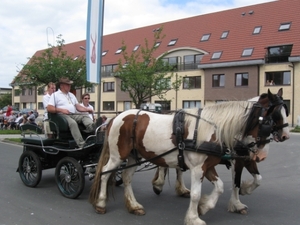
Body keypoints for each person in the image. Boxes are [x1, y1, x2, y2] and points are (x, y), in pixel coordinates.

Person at [47, 77, 102, 148]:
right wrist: (61, 110)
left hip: (72, 114)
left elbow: (78, 107)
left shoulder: (71, 95)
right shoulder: (55, 95)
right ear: (61, 86)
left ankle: (92, 127)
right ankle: (81, 144)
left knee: (84, 116)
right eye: (68, 85)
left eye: (70, 85)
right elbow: (49, 108)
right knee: (73, 123)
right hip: (62, 116)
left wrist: (87, 109)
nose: (70, 86)